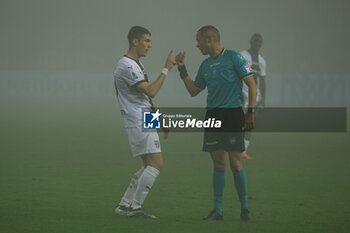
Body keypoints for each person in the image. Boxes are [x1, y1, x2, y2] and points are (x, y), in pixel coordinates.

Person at [175, 25, 256, 221]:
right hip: (213, 116)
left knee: (235, 163)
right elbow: (194, 90)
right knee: (218, 163)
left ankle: (245, 209)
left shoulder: (234, 58)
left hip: (233, 116)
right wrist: (182, 69)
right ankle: (218, 211)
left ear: (209, 39)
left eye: (198, 40)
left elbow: (252, 84)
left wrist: (250, 112)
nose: (197, 45)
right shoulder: (204, 65)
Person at [113, 26, 176, 218]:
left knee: (149, 164)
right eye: (147, 41)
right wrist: (166, 69)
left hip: (144, 117)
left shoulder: (136, 64)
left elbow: (145, 98)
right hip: (137, 119)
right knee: (156, 163)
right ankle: (135, 207)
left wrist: (160, 119)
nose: (149, 45)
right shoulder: (127, 65)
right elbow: (150, 91)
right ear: (135, 41)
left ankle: (125, 205)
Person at [240, 33, 267, 160]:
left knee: (250, 123)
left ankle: (243, 150)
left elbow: (262, 80)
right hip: (242, 93)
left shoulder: (262, 61)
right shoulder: (242, 56)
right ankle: (232, 146)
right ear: (251, 41)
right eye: (256, 41)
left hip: (255, 96)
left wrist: (263, 99)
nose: (258, 44)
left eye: (260, 42)